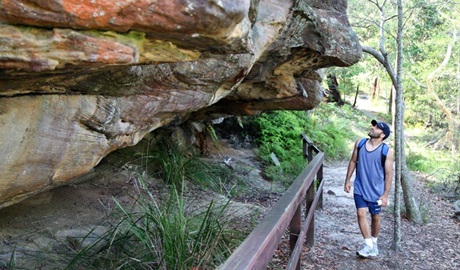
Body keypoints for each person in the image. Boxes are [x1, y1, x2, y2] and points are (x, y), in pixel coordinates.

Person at [344, 119, 393, 258]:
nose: (373, 128)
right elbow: (353, 161)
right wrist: (347, 180)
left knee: (375, 217)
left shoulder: (387, 151)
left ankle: (374, 242)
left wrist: (385, 195)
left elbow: (389, 174)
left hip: (376, 190)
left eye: (377, 127)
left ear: (382, 135)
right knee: (360, 213)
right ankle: (368, 245)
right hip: (360, 186)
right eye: (373, 125)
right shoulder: (360, 143)